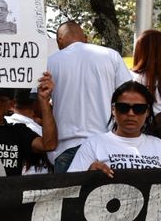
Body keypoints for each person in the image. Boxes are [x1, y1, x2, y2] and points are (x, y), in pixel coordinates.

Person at [46, 21, 133, 172]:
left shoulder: (50, 62)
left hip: (66, 148)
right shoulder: (111, 55)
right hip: (106, 145)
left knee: (69, 194)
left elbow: (37, 103)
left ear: (59, 41)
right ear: (85, 38)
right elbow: (128, 96)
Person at [68, 81, 161, 176]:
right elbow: (69, 185)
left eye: (138, 109)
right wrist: (89, 173)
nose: (131, 113)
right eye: (123, 108)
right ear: (113, 109)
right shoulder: (93, 144)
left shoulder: (159, 145)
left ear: (147, 112)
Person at [0, 76, 56, 177]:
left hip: (9, 191)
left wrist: (44, 100)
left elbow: (49, 145)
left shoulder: (18, 131)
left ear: (11, 104)